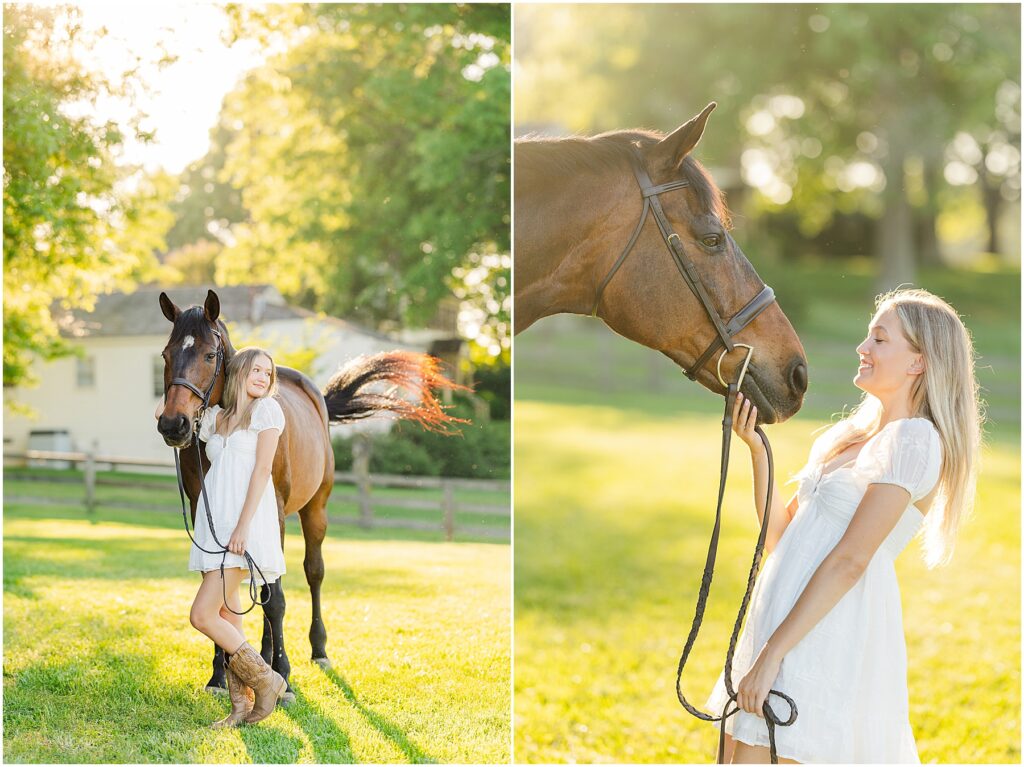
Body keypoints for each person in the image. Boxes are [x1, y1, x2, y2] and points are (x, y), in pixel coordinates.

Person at [705, 288, 983, 764]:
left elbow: (852, 560)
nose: (863, 348)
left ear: (918, 362)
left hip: (825, 630)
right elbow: (780, 537)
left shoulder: (914, 441)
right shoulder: (848, 437)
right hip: (784, 613)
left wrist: (774, 654)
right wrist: (756, 449)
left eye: (879, 339)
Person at [158, 346, 289, 728]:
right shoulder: (217, 417)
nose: (263, 378)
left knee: (201, 615)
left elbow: (263, 469)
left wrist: (243, 528)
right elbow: (162, 412)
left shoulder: (267, 411)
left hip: (240, 527)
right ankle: (240, 707)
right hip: (214, 525)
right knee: (229, 616)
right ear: (238, 373)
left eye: (268, 372)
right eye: (256, 370)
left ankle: (267, 679)